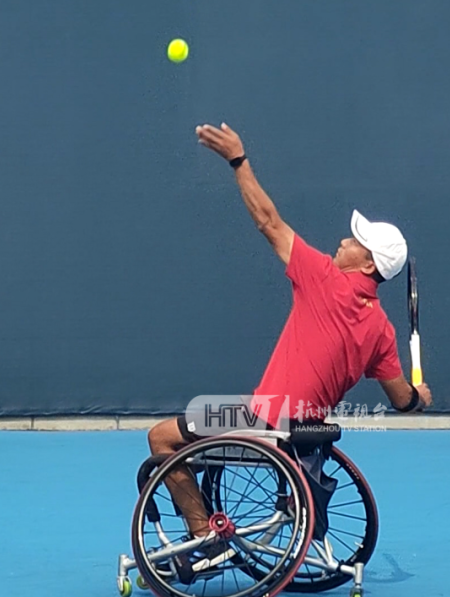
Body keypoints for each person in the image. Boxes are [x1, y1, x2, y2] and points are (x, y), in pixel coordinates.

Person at [147, 122, 433, 549]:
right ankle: (203, 503)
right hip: (307, 433)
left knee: (160, 437)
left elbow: (268, 221)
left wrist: (238, 161)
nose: (343, 240)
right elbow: (402, 400)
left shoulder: (324, 279)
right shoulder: (382, 331)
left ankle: (203, 534)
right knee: (202, 421)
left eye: (356, 241)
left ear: (369, 264)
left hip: (264, 421)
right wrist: (419, 397)